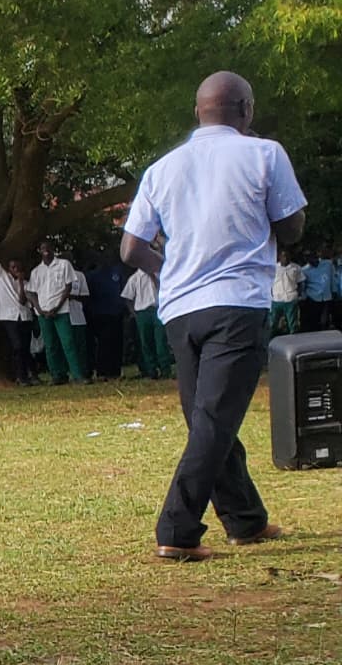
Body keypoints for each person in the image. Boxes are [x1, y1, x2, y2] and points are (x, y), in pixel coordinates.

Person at [120, 71, 303, 563]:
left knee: (207, 418)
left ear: (197, 112)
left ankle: (245, 520)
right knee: (214, 421)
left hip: (180, 309)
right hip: (237, 302)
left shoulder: (162, 168)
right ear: (245, 109)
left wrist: (173, 269)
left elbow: (131, 247)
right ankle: (177, 529)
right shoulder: (264, 153)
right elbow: (291, 227)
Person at [30, 242, 88, 383]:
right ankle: (57, 375)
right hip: (43, 313)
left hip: (61, 311)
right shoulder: (36, 271)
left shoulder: (63, 265)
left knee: (68, 342)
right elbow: (31, 292)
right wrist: (39, 309)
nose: (46, 251)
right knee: (50, 345)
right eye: (43, 249)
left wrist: (57, 307)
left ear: (53, 250)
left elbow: (68, 287)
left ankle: (77, 375)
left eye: (48, 248)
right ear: (39, 251)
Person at [0, 257, 41, 383]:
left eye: (19, 268)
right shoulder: (1, 277)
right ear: (9, 269)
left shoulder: (26, 284)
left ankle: (33, 373)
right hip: (9, 318)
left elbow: (22, 301)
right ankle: (22, 376)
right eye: (13, 267)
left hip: (25, 317)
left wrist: (20, 282)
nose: (16, 270)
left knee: (25, 348)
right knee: (18, 346)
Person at [124, 265, 169, 379]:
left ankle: (165, 369)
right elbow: (128, 297)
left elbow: (164, 288)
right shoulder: (134, 278)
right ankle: (151, 370)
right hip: (142, 312)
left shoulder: (159, 275)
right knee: (145, 342)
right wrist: (134, 314)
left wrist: (152, 276)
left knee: (161, 341)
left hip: (157, 309)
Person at [272, 250, 303, 335]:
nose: (285, 258)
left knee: (292, 323)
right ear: (279, 257)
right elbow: (269, 283)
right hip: (277, 299)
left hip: (291, 298)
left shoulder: (296, 268)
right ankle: (270, 341)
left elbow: (300, 282)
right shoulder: (273, 268)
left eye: (287, 256)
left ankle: (293, 341)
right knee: (272, 323)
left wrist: (299, 295)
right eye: (283, 256)